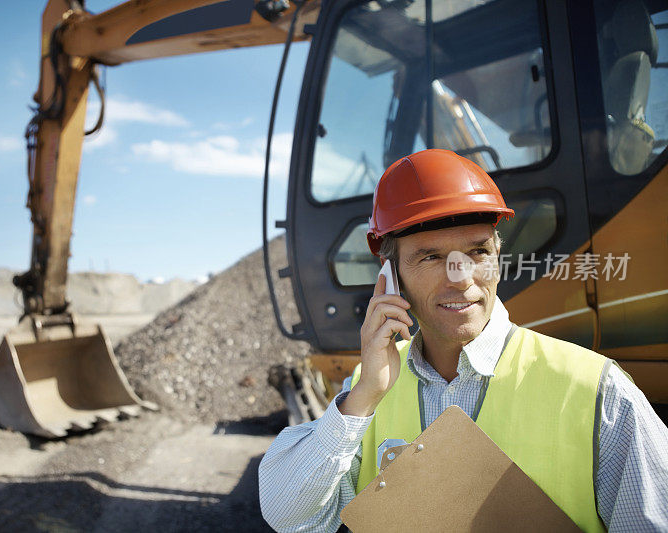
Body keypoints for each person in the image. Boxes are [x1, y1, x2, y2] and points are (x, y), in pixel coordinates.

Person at [258, 149, 668, 532]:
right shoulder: (369, 391)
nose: (461, 278)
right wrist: (362, 398)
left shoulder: (599, 391)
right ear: (390, 275)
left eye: (477, 252)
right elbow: (291, 517)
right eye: (431, 257)